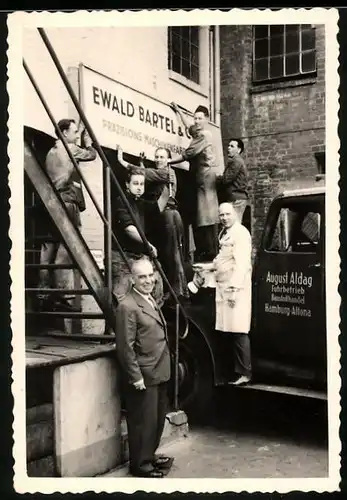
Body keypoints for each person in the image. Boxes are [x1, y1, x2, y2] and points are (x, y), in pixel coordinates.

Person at [114, 257, 173, 478]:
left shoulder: (149, 299)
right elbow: (125, 346)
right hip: (144, 374)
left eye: (150, 275)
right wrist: (135, 376)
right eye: (142, 277)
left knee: (156, 421)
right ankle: (141, 465)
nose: (148, 280)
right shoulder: (127, 306)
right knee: (142, 423)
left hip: (159, 370)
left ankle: (149, 455)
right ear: (132, 279)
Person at [188, 202, 252, 385]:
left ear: (235, 214)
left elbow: (242, 264)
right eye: (221, 215)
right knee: (228, 330)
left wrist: (234, 288)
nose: (224, 218)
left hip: (235, 288)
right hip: (223, 286)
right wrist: (206, 266)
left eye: (227, 214)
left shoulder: (240, 234)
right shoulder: (225, 233)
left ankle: (245, 372)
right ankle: (233, 371)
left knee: (239, 330)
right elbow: (221, 260)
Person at [37, 118, 97, 312]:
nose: (76, 135)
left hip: (51, 202)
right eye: (73, 132)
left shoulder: (51, 151)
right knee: (66, 249)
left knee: (48, 248)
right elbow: (92, 155)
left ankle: (44, 292)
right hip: (67, 203)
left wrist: (79, 126)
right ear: (64, 133)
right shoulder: (71, 149)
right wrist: (89, 143)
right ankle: (62, 294)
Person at [117, 145, 189, 301]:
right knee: (171, 251)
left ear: (169, 160)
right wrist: (142, 163)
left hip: (168, 215)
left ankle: (177, 291)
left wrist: (122, 160)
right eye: (156, 156)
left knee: (171, 252)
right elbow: (146, 178)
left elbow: (144, 174)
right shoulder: (163, 174)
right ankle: (177, 290)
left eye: (162, 157)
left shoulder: (166, 172)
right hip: (165, 214)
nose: (158, 159)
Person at [169, 103, 219, 262]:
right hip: (198, 178)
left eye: (200, 118)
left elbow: (188, 153)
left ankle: (208, 251)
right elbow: (188, 126)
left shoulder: (205, 135)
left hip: (204, 178)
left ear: (207, 120)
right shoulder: (197, 132)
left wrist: (169, 160)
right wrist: (179, 111)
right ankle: (204, 250)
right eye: (195, 118)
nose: (196, 121)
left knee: (205, 215)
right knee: (201, 214)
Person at [111, 166, 165, 305]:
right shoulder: (121, 201)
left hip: (138, 256)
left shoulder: (141, 203)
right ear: (127, 184)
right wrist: (148, 244)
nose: (139, 187)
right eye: (135, 184)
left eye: (142, 184)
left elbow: (161, 204)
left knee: (156, 286)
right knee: (121, 298)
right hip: (122, 257)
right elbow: (129, 229)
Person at [219, 138, 249, 222]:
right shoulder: (236, 161)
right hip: (236, 197)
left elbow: (226, 179)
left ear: (238, 150)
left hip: (236, 199)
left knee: (234, 225)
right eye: (228, 146)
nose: (228, 148)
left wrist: (216, 178)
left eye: (232, 146)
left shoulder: (236, 161)